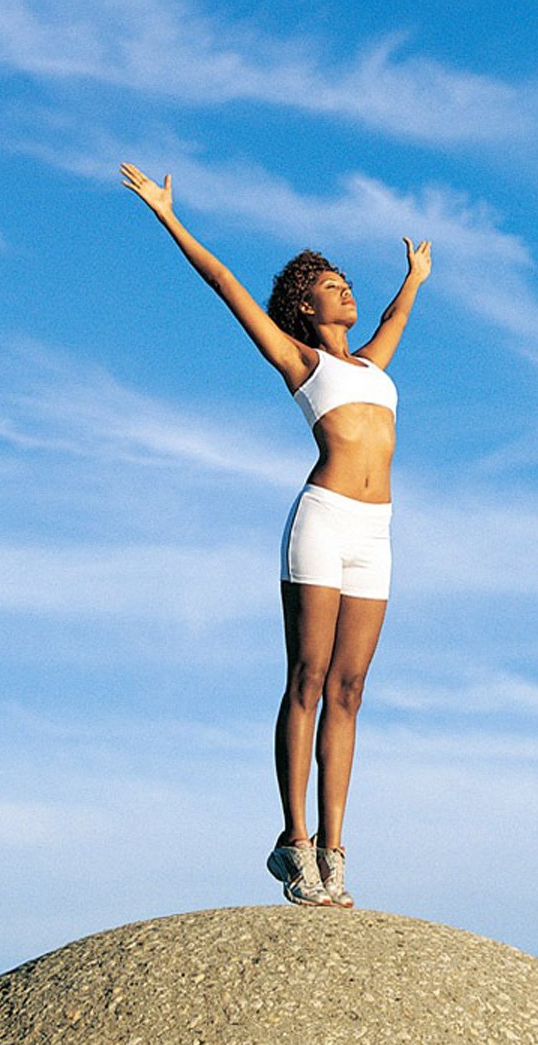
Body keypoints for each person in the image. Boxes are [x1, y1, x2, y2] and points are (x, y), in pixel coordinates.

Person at [121, 162, 430, 908]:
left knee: (351, 691)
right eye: (332, 283)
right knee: (310, 679)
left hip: (376, 533)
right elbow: (224, 281)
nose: (346, 290)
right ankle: (294, 845)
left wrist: (414, 277)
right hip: (322, 522)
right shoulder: (302, 361)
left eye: (348, 280)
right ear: (303, 301)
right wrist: (168, 214)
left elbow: (393, 323)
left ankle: (335, 849)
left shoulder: (371, 364)